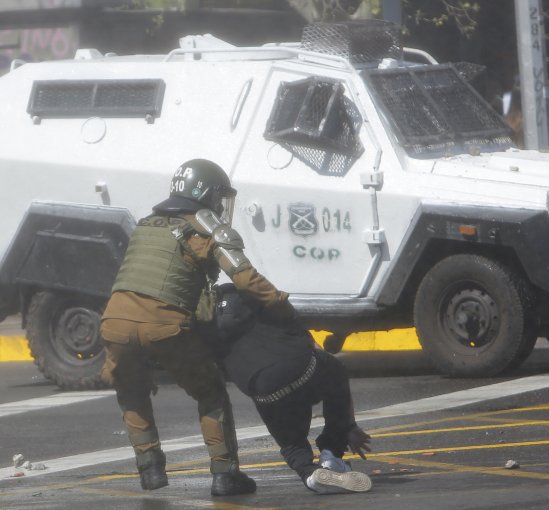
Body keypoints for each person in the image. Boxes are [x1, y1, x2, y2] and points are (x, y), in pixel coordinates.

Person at [99, 159, 296, 497]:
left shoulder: (146, 224)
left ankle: (150, 470)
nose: (221, 205)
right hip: (164, 325)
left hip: (114, 322)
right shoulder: (206, 230)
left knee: (131, 390)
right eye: (219, 197)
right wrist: (279, 303)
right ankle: (225, 474)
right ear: (206, 194)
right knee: (210, 393)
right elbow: (246, 280)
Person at [210, 283, 373, 494]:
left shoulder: (206, 323)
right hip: (298, 365)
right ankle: (332, 455)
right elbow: (309, 341)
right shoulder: (252, 292)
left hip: (261, 387)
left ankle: (310, 475)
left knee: (290, 440)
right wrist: (348, 425)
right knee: (335, 371)